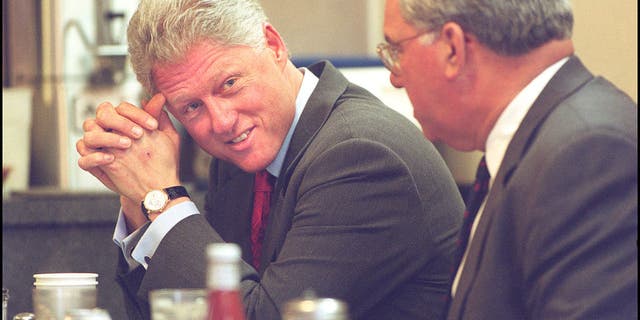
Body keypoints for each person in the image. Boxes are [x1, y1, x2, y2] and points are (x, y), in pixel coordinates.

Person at [76, 0, 464, 319]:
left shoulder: (363, 157)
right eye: (192, 106)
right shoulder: (243, 157)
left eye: (229, 84)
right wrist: (138, 196)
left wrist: (161, 198)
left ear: (274, 45)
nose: (222, 122)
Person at [379, 0, 638, 319]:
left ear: (453, 48)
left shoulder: (587, 152)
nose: (395, 78)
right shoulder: (538, 141)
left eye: (396, 51)